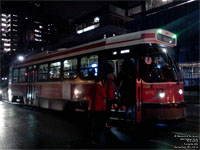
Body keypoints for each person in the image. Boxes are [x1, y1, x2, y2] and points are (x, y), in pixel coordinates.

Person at [88, 77, 107, 144]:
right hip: (99, 107)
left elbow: (89, 95)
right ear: (100, 82)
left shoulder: (91, 86)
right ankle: (97, 136)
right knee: (99, 121)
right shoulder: (99, 87)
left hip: (92, 107)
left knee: (93, 121)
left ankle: (92, 135)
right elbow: (104, 96)